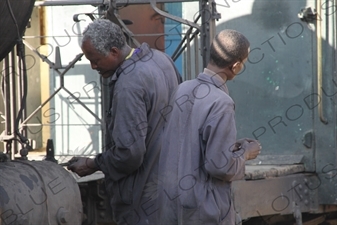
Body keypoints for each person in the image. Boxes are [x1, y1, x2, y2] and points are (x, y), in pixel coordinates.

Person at [67, 18, 180, 224]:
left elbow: (129, 154)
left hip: (142, 199)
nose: (93, 66)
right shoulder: (161, 60)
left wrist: (93, 163)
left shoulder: (128, 85)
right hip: (171, 188)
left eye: (95, 59)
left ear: (113, 52)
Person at [157, 29, 261, 224]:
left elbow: (187, 142)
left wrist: (230, 148)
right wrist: (245, 152)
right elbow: (220, 166)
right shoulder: (222, 102)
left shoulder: (182, 89)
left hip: (170, 203)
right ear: (236, 66)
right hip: (202, 210)